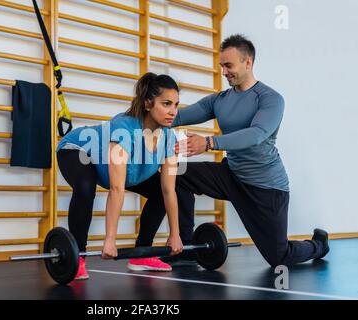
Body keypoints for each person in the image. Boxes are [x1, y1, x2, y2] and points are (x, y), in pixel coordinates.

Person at [141, 34, 330, 268]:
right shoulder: (220, 100)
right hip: (231, 175)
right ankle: (187, 247)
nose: (223, 71)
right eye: (221, 66)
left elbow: (257, 134)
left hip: (265, 186)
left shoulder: (271, 99)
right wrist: (141, 116)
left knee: (278, 257)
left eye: (228, 65)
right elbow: (175, 116)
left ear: (247, 62)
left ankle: (319, 245)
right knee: (178, 175)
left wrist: (209, 143)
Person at [56, 73, 184, 280]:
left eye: (176, 105)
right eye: (166, 104)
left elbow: (169, 190)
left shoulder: (169, 137)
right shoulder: (124, 128)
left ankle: (142, 255)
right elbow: (116, 189)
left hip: (114, 170)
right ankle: (76, 257)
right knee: (86, 188)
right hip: (77, 149)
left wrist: (175, 235)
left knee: (160, 192)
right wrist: (110, 239)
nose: (173, 112)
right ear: (148, 104)